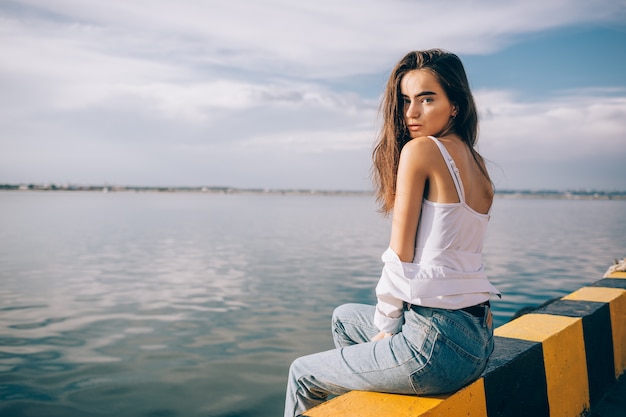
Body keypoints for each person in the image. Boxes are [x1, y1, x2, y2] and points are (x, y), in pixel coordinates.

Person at [284, 49, 501, 417]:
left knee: (302, 373)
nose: (411, 113)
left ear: (455, 106)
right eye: (405, 101)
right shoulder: (476, 162)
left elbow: (400, 255)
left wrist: (386, 326)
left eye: (427, 99)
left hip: (434, 348)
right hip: (478, 340)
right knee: (344, 316)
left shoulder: (421, 150)